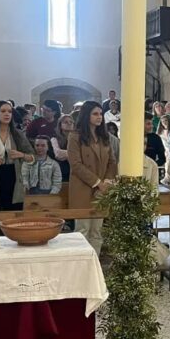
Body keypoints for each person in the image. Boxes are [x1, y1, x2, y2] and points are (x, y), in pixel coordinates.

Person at [68, 100, 117, 255]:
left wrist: (107, 182)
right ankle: (80, 266)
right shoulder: (75, 136)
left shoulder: (104, 137)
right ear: (86, 115)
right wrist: (97, 183)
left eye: (101, 114)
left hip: (102, 191)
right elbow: (75, 164)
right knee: (82, 230)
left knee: (97, 232)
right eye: (95, 114)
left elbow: (112, 161)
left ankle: (94, 264)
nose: (99, 117)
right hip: (83, 188)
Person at [51, 113, 74, 181]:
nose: (69, 123)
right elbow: (58, 154)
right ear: (60, 125)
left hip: (76, 170)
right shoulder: (54, 139)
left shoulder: (78, 139)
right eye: (65, 122)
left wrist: (66, 155)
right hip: (62, 171)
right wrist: (75, 154)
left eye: (71, 122)